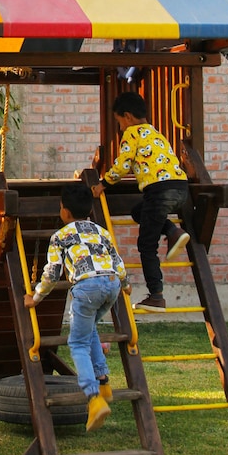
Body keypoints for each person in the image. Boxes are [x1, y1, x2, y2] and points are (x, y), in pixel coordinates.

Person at [24, 183, 129, 432]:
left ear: (65, 211)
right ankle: (103, 381)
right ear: (90, 210)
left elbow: (52, 273)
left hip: (88, 287)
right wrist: (125, 285)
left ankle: (94, 398)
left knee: (77, 343)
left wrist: (35, 298)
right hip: (112, 284)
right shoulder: (102, 231)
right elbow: (117, 261)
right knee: (88, 327)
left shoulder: (60, 236)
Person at [92, 91, 190, 313]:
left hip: (159, 192)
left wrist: (103, 184)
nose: (120, 127)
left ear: (127, 116)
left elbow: (123, 164)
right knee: (139, 211)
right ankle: (173, 231)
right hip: (181, 189)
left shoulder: (131, 133)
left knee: (146, 245)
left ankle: (156, 296)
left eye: (119, 122)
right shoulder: (155, 132)